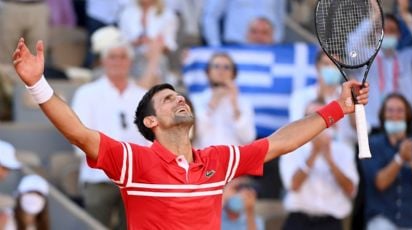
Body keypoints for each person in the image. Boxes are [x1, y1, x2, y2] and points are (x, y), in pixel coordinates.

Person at [11, 37, 369, 229]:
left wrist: (338, 108)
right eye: (167, 99)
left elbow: (281, 141)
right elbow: (78, 133)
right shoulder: (132, 161)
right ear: (151, 123)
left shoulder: (219, 159)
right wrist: (38, 84)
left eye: (179, 95)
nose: (179, 98)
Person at [72, 26, 150, 229]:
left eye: (123, 56)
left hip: (137, 179)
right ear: (104, 60)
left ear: (130, 62)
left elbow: (152, 138)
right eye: (113, 56)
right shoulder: (87, 93)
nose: (118, 62)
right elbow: (80, 136)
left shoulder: (144, 95)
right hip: (99, 177)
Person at [280, 101, 359, 230]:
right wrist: (313, 154)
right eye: (312, 117)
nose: (317, 124)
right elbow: (293, 185)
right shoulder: (292, 148)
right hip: (298, 220)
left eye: (322, 116)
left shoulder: (344, 150)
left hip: (331, 222)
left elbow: (351, 190)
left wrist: (330, 161)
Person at [348, 0, 412, 131]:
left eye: (392, 31)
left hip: (406, 127)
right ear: (377, 34)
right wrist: (375, 16)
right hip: (374, 128)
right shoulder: (366, 57)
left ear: (399, 36)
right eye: (383, 31)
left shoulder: (408, 57)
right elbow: (352, 46)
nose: (387, 34)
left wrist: (406, 15)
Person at [361, 93, 412, 230]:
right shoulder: (372, 144)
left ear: (408, 115)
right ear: (383, 115)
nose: (394, 115)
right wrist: (400, 158)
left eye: (400, 110)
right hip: (382, 219)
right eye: (390, 110)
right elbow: (380, 182)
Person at [190, 52, 256, 149]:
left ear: (233, 74)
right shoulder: (195, 100)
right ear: (208, 72)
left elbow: (248, 138)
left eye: (226, 67)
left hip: (233, 162)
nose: (221, 71)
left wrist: (235, 105)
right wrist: (212, 103)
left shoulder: (243, 102)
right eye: (216, 66)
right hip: (203, 161)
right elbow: (194, 134)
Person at [289, 51, 356, 144]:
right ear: (317, 67)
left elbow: (359, 132)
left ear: (342, 68)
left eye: (335, 65)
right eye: (326, 64)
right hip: (306, 157)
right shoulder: (300, 97)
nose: (331, 68)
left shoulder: (349, 96)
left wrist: (354, 103)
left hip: (342, 155)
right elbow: (294, 132)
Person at [118, 0, 178, 78]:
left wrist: (153, 43)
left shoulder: (167, 14)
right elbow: (122, 39)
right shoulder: (127, 13)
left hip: (156, 57)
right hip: (132, 56)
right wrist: (137, 41)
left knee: (157, 61)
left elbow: (170, 43)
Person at [202, 0, 286, 46]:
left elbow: (280, 15)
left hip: (268, 48)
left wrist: (277, 42)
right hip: (237, 46)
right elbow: (210, 16)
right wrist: (215, 47)